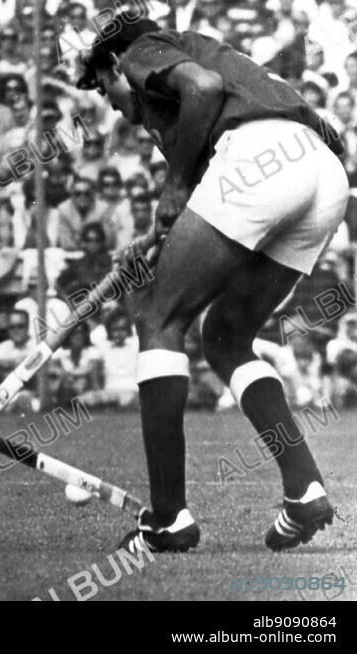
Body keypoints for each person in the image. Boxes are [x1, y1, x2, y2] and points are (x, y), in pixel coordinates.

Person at [77, 12, 347, 553]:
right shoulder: (210, 60)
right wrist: (161, 230)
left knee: (158, 321)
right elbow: (323, 138)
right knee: (223, 335)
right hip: (323, 176)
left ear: (112, 62)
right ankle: (305, 487)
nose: (109, 102)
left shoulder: (143, 52)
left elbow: (202, 89)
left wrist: (175, 187)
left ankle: (169, 520)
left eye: (102, 86)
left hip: (261, 162)